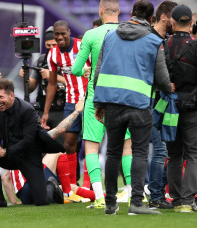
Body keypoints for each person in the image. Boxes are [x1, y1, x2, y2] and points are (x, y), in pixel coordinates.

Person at [93, 0, 173, 215]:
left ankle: (110, 204)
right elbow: (163, 80)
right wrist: (169, 87)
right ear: (150, 19)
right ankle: (136, 203)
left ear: (130, 14)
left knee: (112, 153)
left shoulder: (109, 36)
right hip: (139, 105)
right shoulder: (153, 40)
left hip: (111, 104)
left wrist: (98, 103)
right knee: (139, 152)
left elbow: (98, 72)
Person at [72, 0, 133, 209]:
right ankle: (133, 193)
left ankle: (99, 197)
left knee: (91, 147)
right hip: (123, 97)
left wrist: (86, 72)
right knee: (127, 147)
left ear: (100, 10)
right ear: (120, 11)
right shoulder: (129, 32)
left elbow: (76, 69)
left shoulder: (91, 34)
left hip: (95, 97)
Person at [0, 79, 65, 208]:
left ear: (11, 96)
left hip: (29, 157)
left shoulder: (27, 110)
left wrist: (4, 151)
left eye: (1, 97)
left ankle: (51, 186)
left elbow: (28, 140)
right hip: (11, 155)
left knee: (41, 202)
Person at [42, 20, 89, 198]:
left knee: (91, 143)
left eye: (63, 33)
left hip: (89, 101)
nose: (60, 37)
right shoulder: (53, 54)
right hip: (71, 103)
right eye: (57, 34)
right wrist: (46, 112)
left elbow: (95, 71)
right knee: (69, 144)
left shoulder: (83, 47)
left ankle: (88, 185)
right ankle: (70, 187)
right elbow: (52, 83)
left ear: (69, 32)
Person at [166, 4, 197, 213]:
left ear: (172, 22)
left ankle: (176, 199)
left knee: (174, 153)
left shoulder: (162, 44)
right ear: (192, 23)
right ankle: (187, 200)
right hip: (192, 106)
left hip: (169, 106)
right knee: (193, 153)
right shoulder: (195, 46)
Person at [147, 0, 178, 210]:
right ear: (164, 17)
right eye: (175, 17)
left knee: (161, 150)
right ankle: (155, 196)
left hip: (156, 102)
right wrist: (167, 84)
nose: (177, 23)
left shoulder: (162, 39)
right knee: (159, 151)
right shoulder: (151, 39)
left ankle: (155, 192)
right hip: (148, 101)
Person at [18, 26, 66, 139]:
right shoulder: (41, 60)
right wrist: (24, 77)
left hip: (63, 111)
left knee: (61, 149)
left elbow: (75, 84)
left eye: (54, 45)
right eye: (48, 46)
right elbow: (30, 88)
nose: (51, 48)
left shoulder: (68, 59)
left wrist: (53, 76)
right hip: (43, 110)